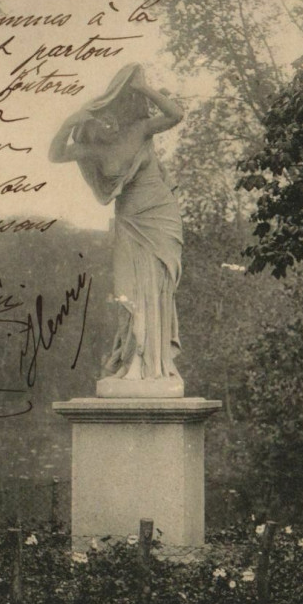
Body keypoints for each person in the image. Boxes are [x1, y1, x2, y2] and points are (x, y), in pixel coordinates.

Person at [49, 63, 184, 393]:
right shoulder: (93, 148)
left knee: (155, 288)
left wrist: (142, 89)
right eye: (102, 117)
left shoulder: (140, 129)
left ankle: (152, 364)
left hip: (160, 217)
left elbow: (175, 115)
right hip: (128, 220)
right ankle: (133, 360)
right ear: (96, 119)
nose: (109, 122)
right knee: (129, 289)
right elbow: (55, 155)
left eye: (113, 114)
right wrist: (69, 122)